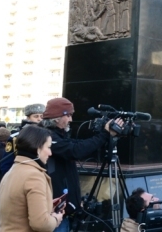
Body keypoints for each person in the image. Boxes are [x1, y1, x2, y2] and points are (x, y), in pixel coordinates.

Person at [40, 97, 123, 232]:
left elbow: (77, 146)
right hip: (53, 214)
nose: (71, 120)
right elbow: (76, 151)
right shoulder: (47, 137)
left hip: (63, 211)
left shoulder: (59, 136)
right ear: (56, 118)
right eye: (69, 115)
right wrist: (104, 135)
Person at [0, 125, 63, 232]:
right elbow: (41, 224)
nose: (50, 153)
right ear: (37, 148)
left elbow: (11, 211)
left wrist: (47, 204)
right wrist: (56, 219)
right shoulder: (34, 175)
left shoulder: (13, 170)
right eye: (49, 147)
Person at [1, 103, 46, 174]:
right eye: (36, 116)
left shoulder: (48, 134)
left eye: (42, 116)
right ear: (28, 118)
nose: (39, 119)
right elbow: (6, 163)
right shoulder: (15, 136)